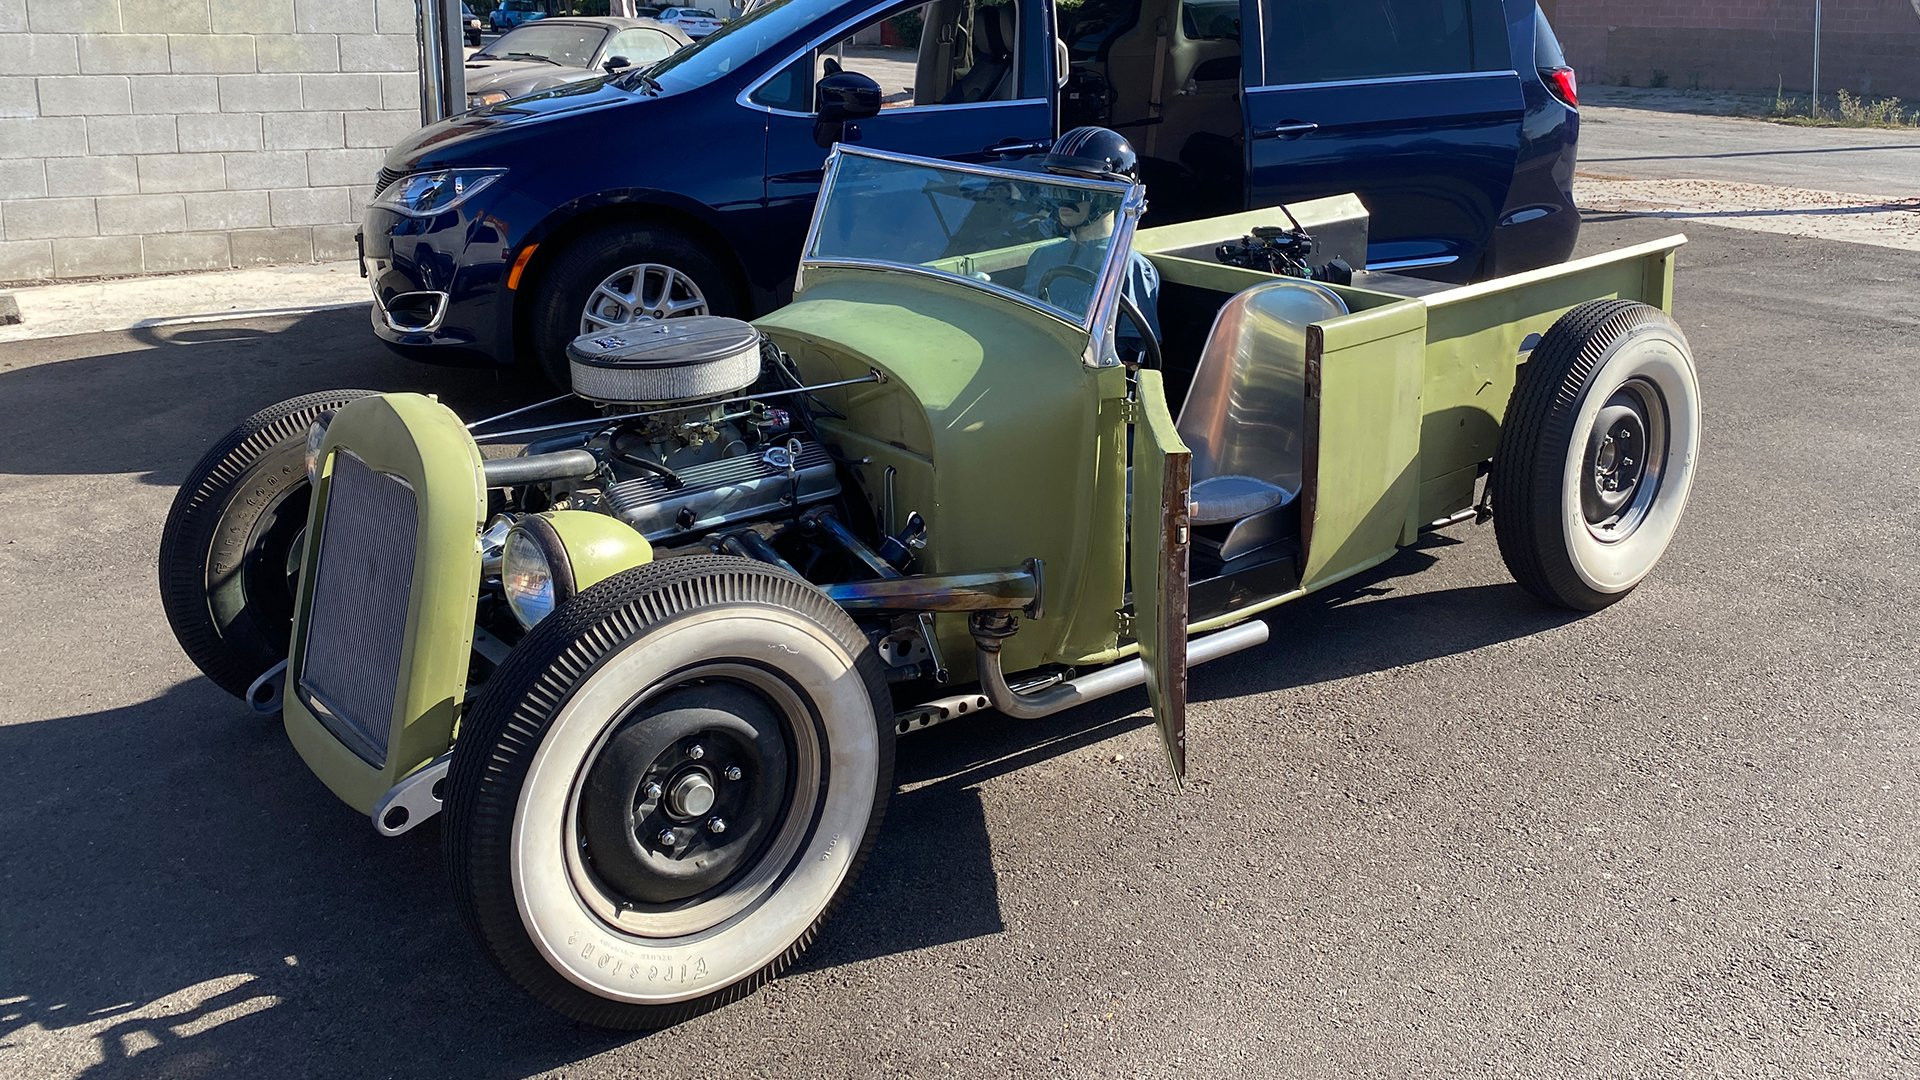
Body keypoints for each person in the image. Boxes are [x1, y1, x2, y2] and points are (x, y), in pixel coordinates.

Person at [1019, 127, 1161, 361]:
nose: (1063, 195)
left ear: (1110, 194)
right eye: (1059, 182)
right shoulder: (1042, 257)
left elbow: (1129, 363)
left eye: (1079, 185)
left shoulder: (1130, 268)